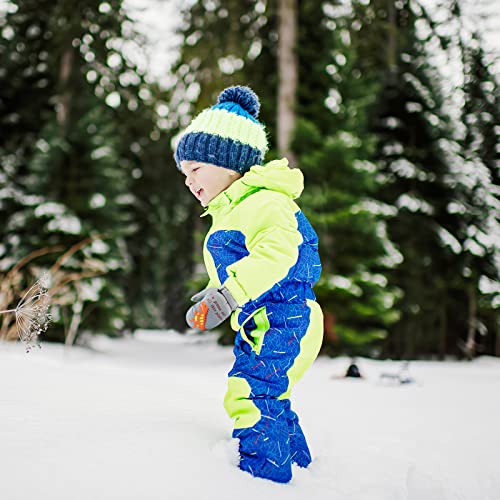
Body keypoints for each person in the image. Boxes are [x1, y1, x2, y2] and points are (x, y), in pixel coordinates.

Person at [175, 85, 324, 484]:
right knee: (269, 394)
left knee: (249, 392)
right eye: (184, 173)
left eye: (195, 169)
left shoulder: (266, 203)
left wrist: (231, 294)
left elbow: (278, 256)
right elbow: (232, 266)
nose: (188, 181)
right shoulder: (231, 213)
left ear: (226, 161)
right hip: (262, 321)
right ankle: (300, 469)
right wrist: (213, 294)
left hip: (285, 316)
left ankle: (263, 479)